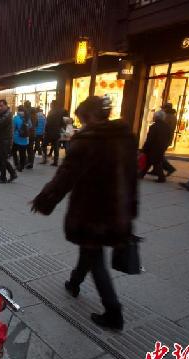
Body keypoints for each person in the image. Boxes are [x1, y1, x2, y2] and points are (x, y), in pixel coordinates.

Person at [31, 96, 137, 330]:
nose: (82, 124)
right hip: (118, 209)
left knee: (95, 257)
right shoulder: (125, 138)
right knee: (90, 252)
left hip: (92, 211)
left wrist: (45, 200)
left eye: (83, 119)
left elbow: (65, 177)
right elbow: (131, 177)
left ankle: (113, 312)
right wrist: (131, 209)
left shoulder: (87, 140)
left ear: (90, 116)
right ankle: (74, 281)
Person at [138, 110, 172, 183]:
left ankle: (161, 178)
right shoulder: (167, 127)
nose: (153, 117)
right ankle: (141, 174)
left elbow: (150, 139)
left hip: (153, 148)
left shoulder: (154, 127)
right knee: (150, 161)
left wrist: (144, 149)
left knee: (155, 163)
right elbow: (169, 137)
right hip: (161, 147)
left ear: (156, 117)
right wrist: (166, 146)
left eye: (154, 116)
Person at [0, 99, 17, 183]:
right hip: (3, 139)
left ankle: (4, 177)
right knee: (2, 159)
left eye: (1, 106)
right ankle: (12, 174)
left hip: (5, 140)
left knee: (2, 159)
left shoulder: (7, 115)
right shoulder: (3, 114)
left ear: (6, 105)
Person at [44, 100, 69, 166]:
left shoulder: (51, 112)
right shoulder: (63, 111)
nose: (50, 105)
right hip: (59, 131)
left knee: (44, 145)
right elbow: (67, 121)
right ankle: (55, 161)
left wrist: (46, 130)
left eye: (51, 104)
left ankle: (45, 159)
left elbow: (48, 122)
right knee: (56, 147)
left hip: (51, 131)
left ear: (53, 105)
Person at [12, 105, 29, 172]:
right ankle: (21, 166)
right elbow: (30, 127)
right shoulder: (27, 118)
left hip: (17, 138)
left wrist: (12, 137)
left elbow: (13, 128)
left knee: (14, 151)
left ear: (18, 111)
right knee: (23, 153)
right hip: (25, 139)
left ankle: (16, 164)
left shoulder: (16, 118)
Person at [25, 103, 37, 169]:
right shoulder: (35, 116)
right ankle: (30, 163)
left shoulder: (29, 116)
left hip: (29, 134)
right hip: (33, 134)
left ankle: (29, 163)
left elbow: (28, 125)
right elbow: (36, 124)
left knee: (28, 149)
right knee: (30, 149)